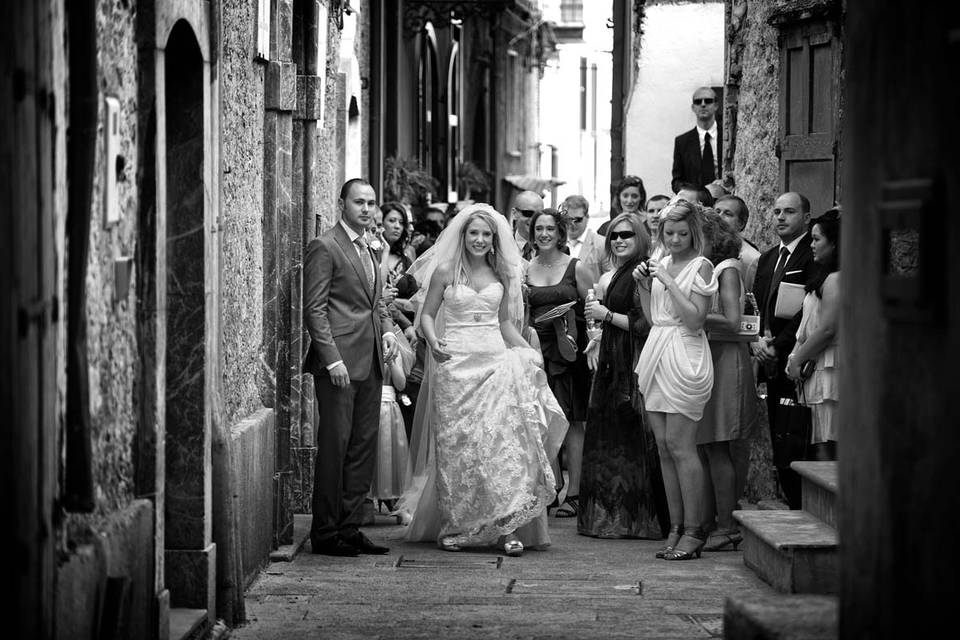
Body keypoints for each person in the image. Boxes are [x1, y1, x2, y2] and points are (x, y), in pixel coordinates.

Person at [399, 204, 568, 556]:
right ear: (463, 236)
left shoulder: (502, 274)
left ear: (494, 240)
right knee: (459, 449)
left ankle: (506, 529)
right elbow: (427, 315)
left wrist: (526, 350)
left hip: (494, 362)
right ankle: (458, 526)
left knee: (498, 446)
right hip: (455, 364)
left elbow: (506, 323)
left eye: (486, 234)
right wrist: (433, 341)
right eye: (474, 233)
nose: (479, 239)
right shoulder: (446, 271)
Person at [303, 178, 401, 557]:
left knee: (362, 448)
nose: (365, 208)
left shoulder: (372, 247)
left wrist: (389, 332)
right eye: (358, 201)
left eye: (371, 203)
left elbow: (375, 302)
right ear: (341, 203)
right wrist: (332, 360)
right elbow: (315, 309)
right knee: (334, 448)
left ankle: (349, 527)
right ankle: (325, 534)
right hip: (340, 366)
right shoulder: (325, 246)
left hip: (373, 361)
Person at [633, 198, 718, 560]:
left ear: (693, 233)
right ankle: (676, 526)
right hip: (658, 350)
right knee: (665, 447)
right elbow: (655, 319)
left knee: (683, 446)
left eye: (683, 233)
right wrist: (642, 285)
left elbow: (696, 319)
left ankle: (696, 530)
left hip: (686, 355)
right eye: (669, 233)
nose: (675, 239)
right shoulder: (662, 262)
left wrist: (667, 280)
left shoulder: (702, 267)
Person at [578, 213, 669, 539]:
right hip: (611, 362)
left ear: (640, 238)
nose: (619, 240)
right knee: (611, 440)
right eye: (614, 235)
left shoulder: (642, 271)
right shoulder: (619, 272)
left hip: (631, 365)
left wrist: (606, 315)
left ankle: (634, 520)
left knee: (629, 442)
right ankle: (612, 518)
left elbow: (645, 323)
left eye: (627, 235)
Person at [697, 211, 759, 552]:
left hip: (726, 360)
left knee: (718, 445)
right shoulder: (709, 267)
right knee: (706, 445)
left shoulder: (728, 269)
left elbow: (733, 320)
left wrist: (691, 312)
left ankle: (727, 525)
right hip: (711, 358)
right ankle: (710, 522)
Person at [524, 208, 593, 519]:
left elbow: (592, 310)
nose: (544, 234)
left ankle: (575, 492)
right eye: (539, 228)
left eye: (550, 228)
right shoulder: (524, 270)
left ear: (560, 232)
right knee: (544, 419)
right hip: (538, 351)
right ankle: (553, 487)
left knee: (574, 421)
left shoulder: (577, 267)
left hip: (570, 350)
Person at [751, 191, 815, 509]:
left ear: (806, 216)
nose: (780, 217)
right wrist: (757, 342)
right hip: (767, 356)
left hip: (797, 356)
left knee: (797, 431)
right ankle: (787, 496)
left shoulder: (812, 254)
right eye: (776, 211)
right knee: (778, 427)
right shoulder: (766, 258)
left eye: (789, 212)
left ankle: (801, 501)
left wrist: (779, 345)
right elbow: (756, 305)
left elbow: (808, 309)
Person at [786, 208, 840, 462]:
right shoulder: (826, 276)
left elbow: (828, 329)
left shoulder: (837, 280)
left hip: (828, 363)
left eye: (817, 239)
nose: (812, 245)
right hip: (816, 360)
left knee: (825, 442)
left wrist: (797, 358)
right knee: (818, 439)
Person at [367, 328, 414, 518]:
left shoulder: (393, 348)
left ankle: (396, 501)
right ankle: (365, 501)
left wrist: (391, 361)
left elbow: (401, 383)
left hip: (388, 407)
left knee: (391, 457)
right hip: (369, 405)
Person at [671, 87, 722, 193]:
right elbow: (677, 181)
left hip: (724, 200)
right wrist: (692, 193)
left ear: (716, 105)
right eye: (698, 102)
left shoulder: (727, 137)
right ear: (693, 107)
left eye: (708, 101)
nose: (703, 104)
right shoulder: (682, 142)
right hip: (696, 202)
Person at [714, 194, 761, 292]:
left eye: (728, 214)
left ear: (741, 224)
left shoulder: (752, 258)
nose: (719, 217)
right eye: (717, 211)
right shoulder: (706, 247)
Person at [562, 194, 607, 284]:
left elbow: (610, 281)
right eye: (568, 219)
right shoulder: (556, 243)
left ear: (587, 218)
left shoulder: (602, 244)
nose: (572, 224)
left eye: (577, 220)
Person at [509, 190, 545, 260]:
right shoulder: (502, 246)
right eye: (528, 213)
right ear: (514, 213)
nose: (533, 219)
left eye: (538, 215)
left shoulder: (550, 248)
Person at [645, 195, 671, 260]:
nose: (655, 215)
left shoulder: (676, 245)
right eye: (651, 211)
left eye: (660, 211)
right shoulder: (641, 245)